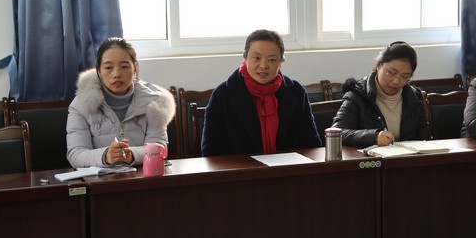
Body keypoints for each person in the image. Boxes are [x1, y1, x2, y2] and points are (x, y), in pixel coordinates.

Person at [201, 29, 321, 156]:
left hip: (288, 167)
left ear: (281, 62)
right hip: (241, 169)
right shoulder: (223, 94)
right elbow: (211, 151)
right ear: (245, 58)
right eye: (256, 58)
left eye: (272, 60)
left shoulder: (296, 92)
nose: (263, 65)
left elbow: (311, 144)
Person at [66, 37, 176, 168]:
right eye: (108, 67)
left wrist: (132, 155)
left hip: (140, 176)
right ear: (99, 70)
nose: (117, 74)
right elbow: (76, 154)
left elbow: (159, 147)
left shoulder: (155, 102)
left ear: (135, 68)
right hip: (99, 178)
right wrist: (105, 156)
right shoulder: (81, 104)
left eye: (124, 66)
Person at [331, 41, 430, 148]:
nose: (396, 81)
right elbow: (337, 133)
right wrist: (373, 137)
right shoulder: (357, 94)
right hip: (369, 158)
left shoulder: (414, 98)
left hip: (406, 158)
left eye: (405, 76)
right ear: (379, 66)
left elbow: (425, 140)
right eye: (391, 73)